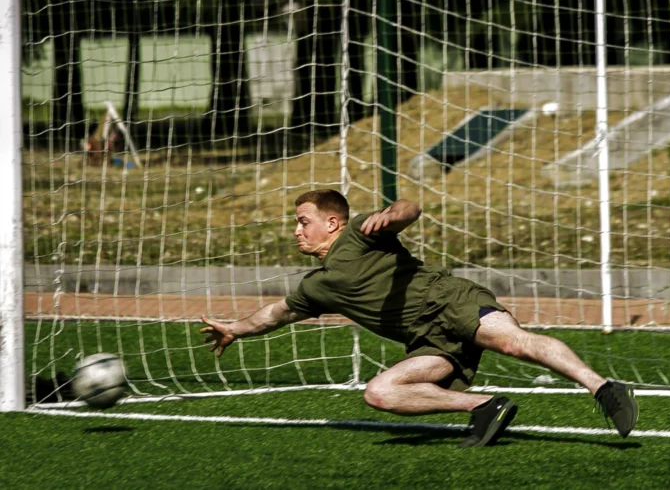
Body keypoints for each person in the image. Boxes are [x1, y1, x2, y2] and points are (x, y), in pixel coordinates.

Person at [200, 189, 638, 448]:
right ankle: (485, 407)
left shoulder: (359, 234)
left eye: (303, 222)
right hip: (427, 339)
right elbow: (276, 314)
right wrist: (234, 329)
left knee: (512, 342)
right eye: (295, 223)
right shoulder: (317, 286)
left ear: (332, 222)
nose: (296, 230)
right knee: (380, 393)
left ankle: (604, 388)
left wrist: (395, 213)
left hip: (447, 300)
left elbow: (409, 208)